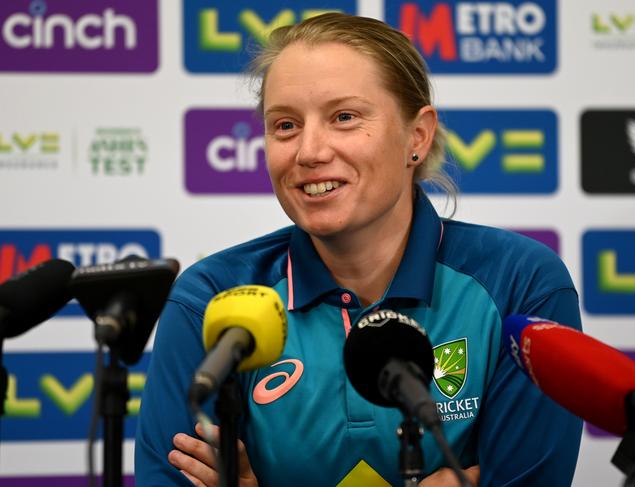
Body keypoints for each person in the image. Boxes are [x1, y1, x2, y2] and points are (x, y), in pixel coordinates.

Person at [135, 13, 582, 487]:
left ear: (418, 135)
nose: (308, 151)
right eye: (284, 125)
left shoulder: (522, 284)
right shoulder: (212, 299)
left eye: (344, 117)